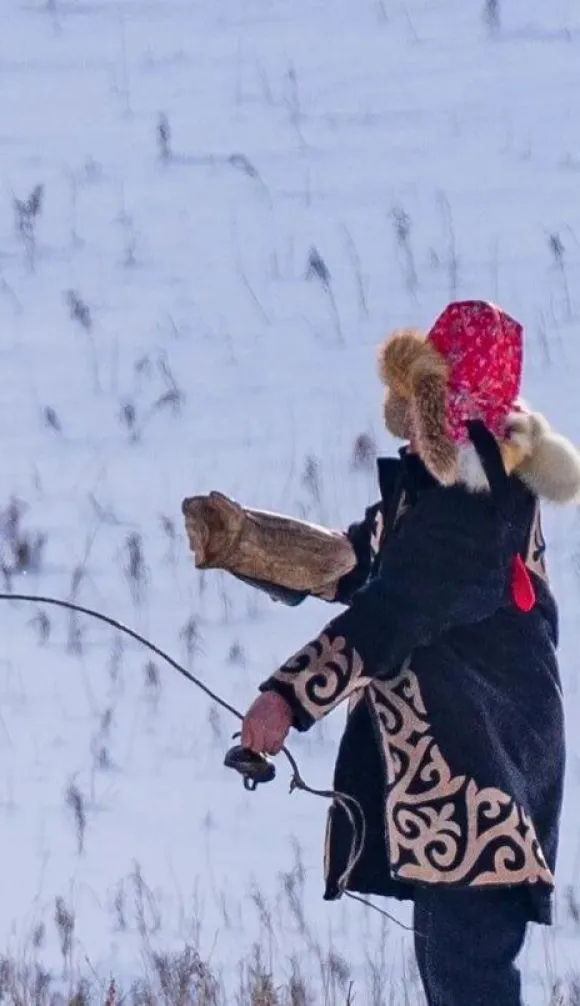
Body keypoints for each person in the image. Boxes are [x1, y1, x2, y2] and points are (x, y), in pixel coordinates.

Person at [182, 301, 580, 1005]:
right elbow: (357, 562)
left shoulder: (472, 497)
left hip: (480, 781)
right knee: (457, 979)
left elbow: (393, 609)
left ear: (436, 399)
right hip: (469, 781)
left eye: (416, 388)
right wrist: (250, 544)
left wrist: (287, 699)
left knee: (468, 984)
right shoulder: (458, 483)